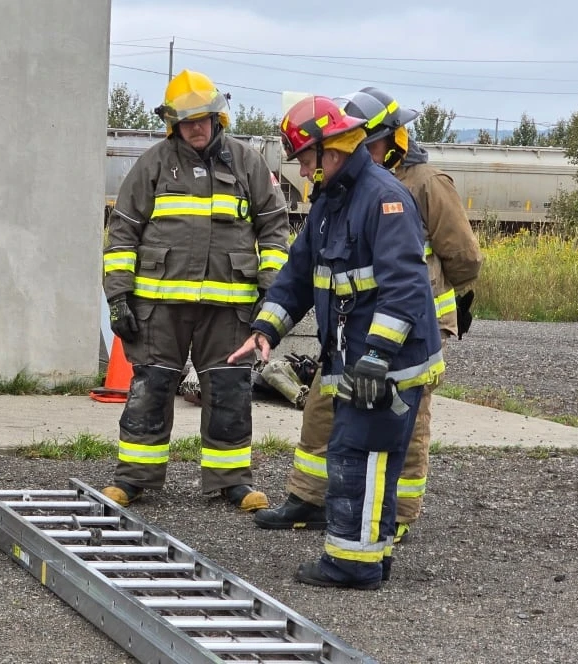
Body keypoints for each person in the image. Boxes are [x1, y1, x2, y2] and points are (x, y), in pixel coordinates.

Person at [229, 95, 443, 589]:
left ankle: (354, 565)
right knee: (360, 457)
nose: (303, 171)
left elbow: (406, 289)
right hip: (359, 361)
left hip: (387, 365)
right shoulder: (331, 201)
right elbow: (299, 275)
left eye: (305, 159)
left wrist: (375, 357)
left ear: (332, 149)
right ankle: (368, 557)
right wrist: (266, 329)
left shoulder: (383, 198)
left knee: (357, 456)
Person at [253, 88, 483, 543]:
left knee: (406, 424)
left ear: (394, 140)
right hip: (355, 331)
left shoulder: (422, 184)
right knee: (322, 407)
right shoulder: (344, 190)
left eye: (371, 143)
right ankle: (310, 497)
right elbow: (304, 269)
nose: (363, 150)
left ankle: (394, 513)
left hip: (412, 328)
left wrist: (448, 303)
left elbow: (462, 256)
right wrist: (268, 324)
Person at [100, 70, 292, 511]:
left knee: (229, 392)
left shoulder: (247, 163)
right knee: (150, 388)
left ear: (217, 117)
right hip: (159, 306)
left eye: (203, 119)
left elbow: (276, 229)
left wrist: (272, 291)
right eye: (187, 122)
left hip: (228, 309)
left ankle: (232, 482)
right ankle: (133, 479)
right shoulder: (152, 164)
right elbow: (122, 232)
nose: (197, 128)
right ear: (173, 124)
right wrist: (117, 295)